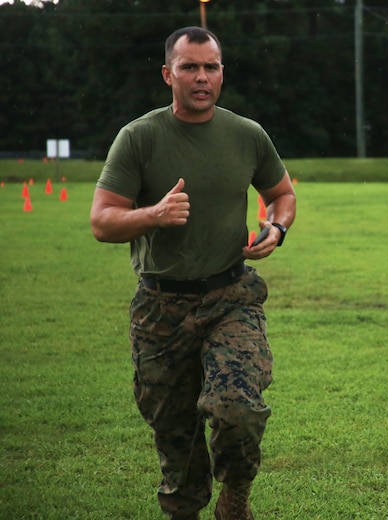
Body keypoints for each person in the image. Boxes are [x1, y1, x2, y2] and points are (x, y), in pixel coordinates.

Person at [90, 26, 296, 520]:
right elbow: (102, 221)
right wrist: (152, 216)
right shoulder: (139, 138)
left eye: (211, 67)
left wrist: (277, 227)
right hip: (160, 307)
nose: (202, 77)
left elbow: (282, 194)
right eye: (189, 67)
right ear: (168, 74)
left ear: (222, 72)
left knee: (236, 410)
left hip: (231, 295)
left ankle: (236, 495)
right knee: (174, 433)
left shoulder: (246, 135)